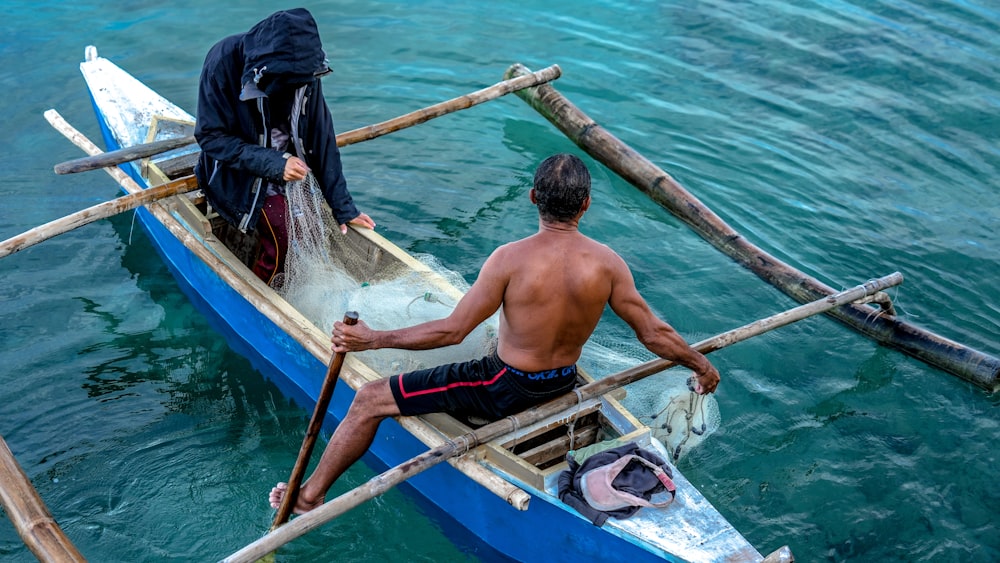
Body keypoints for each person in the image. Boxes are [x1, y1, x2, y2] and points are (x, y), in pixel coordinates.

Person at [268, 153, 720, 514]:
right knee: (490, 344)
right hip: (561, 380)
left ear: (532, 198)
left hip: (505, 387)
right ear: (585, 206)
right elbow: (653, 332)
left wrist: (373, 340)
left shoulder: (509, 259)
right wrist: (700, 364)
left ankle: (309, 497)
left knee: (370, 398)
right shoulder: (608, 263)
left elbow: (451, 329)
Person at [194, 8, 375, 285]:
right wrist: (276, 164)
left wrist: (343, 208)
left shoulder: (307, 70)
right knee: (284, 234)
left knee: (313, 226)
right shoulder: (222, 61)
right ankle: (266, 295)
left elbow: (321, 138)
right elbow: (210, 136)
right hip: (237, 174)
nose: (298, 86)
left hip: (292, 167)